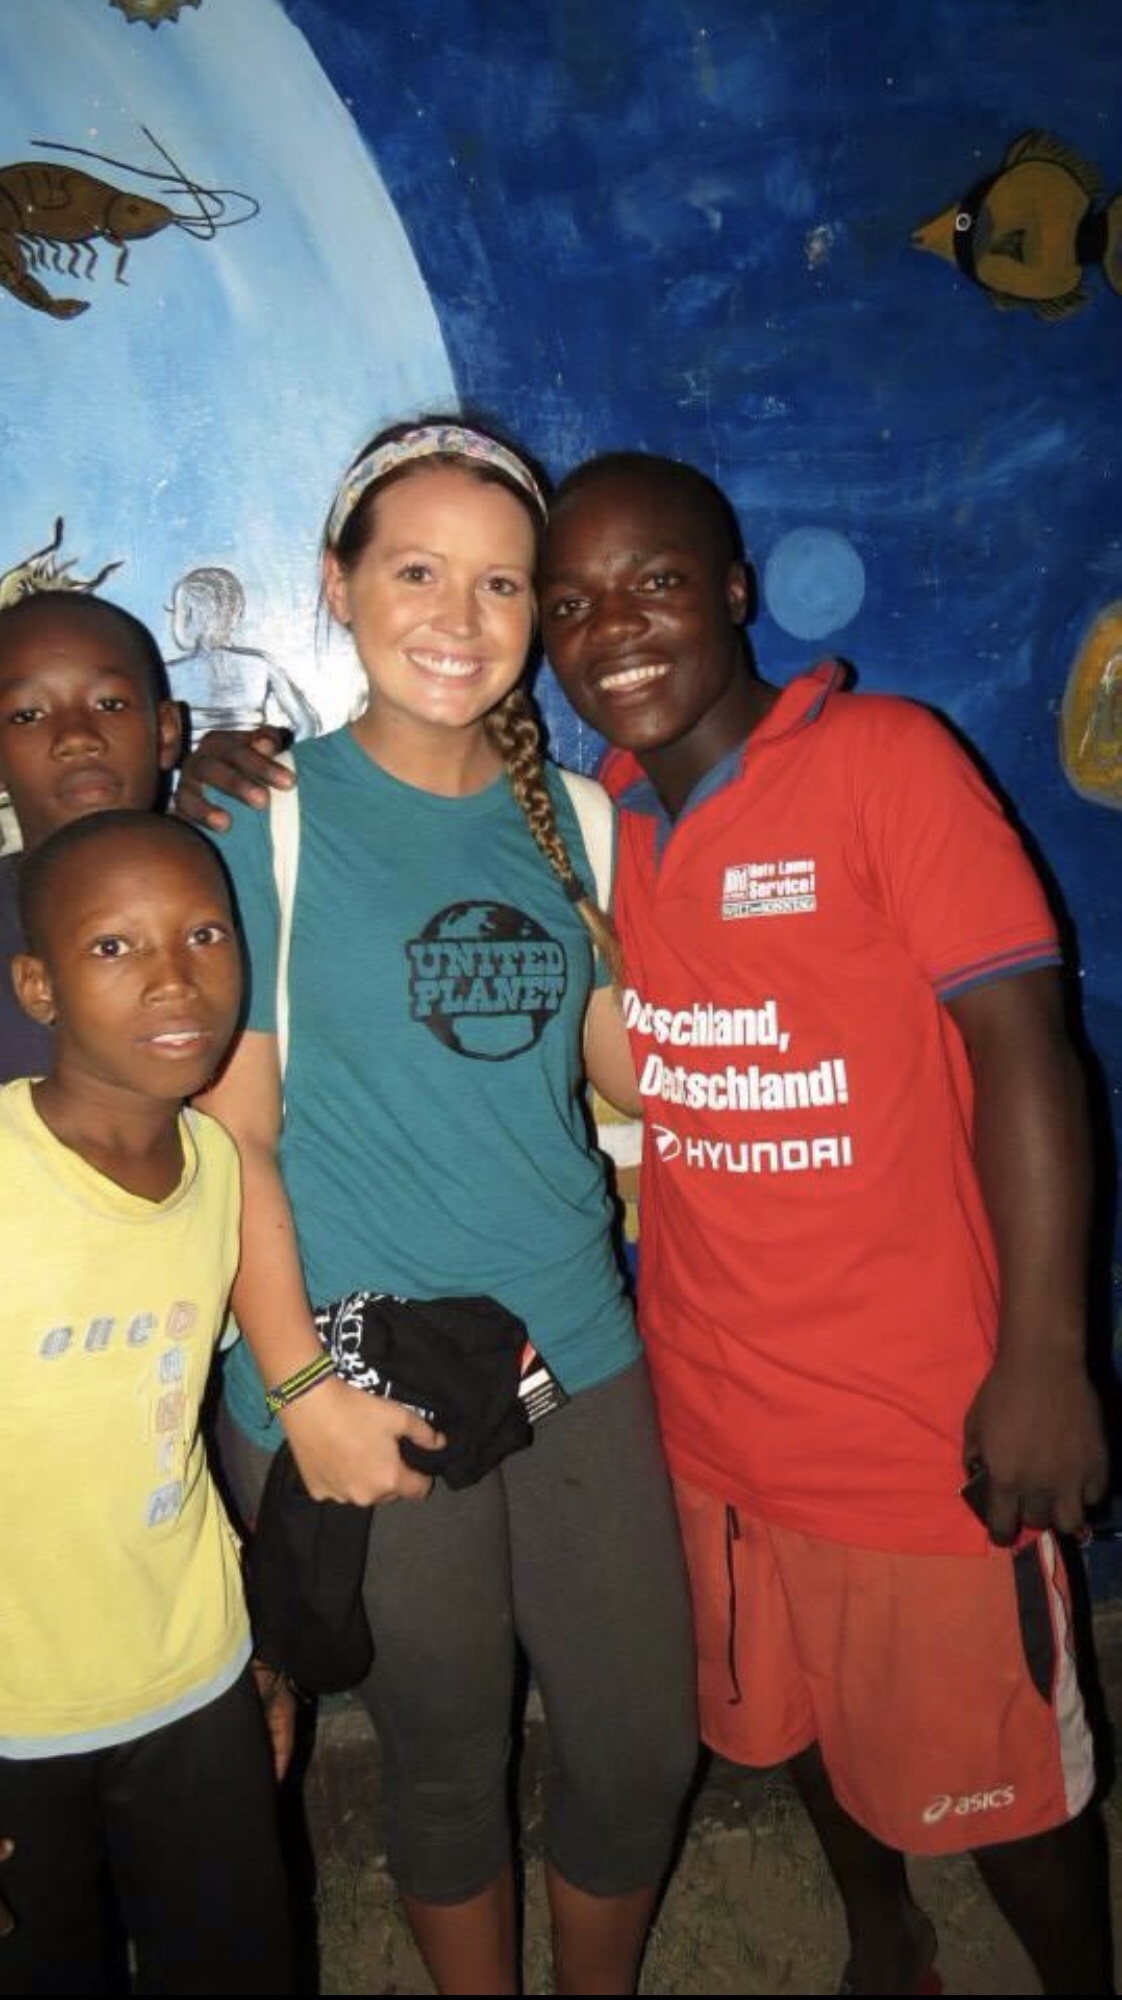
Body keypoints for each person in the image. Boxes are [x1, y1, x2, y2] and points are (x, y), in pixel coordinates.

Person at [536, 451, 1113, 1997]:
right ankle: (883, 1946)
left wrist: (1044, 1355)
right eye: (570, 603)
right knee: (791, 1725)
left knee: (1005, 1791)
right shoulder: (596, 826)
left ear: (733, 591)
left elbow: (1023, 1048)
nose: (612, 629)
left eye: (655, 582)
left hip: (913, 1423)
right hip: (712, 1415)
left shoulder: (882, 763)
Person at [191, 417, 697, 1997]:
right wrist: (300, 1394)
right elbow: (233, 1142)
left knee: (638, 1743)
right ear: (335, 585)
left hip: (576, 1354)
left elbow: (645, 1073)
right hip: (361, 1367)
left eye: (500, 583)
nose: (459, 619)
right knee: (442, 1752)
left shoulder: (587, 823)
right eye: (415, 571)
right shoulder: (262, 825)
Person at [0, 810, 295, 1996]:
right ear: (39, 985)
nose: (175, 976)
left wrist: (255, 1654)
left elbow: (165, 1430)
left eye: (205, 933)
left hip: (192, 1676)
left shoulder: (219, 1169)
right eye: (114, 946)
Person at [0, 589, 181, 1084]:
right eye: (27, 715)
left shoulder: (240, 892)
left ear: (166, 731)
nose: (77, 737)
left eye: (110, 703)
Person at [166, 564, 321, 746]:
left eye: (177, 611)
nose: (174, 619)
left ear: (198, 615)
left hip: (198, 765)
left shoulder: (169, 674)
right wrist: (274, 756)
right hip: (252, 762)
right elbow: (307, 725)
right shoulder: (260, 665)